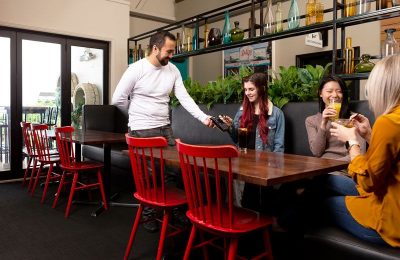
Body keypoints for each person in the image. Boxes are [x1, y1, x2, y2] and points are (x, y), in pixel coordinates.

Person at [112, 31, 213, 232]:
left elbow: (184, 98)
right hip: (141, 129)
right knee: (149, 175)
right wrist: (135, 118)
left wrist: (204, 117)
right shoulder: (136, 69)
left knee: (173, 170)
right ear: (155, 48)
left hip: (164, 128)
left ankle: (173, 210)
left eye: (173, 51)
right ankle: (150, 214)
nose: (171, 55)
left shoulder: (173, 70)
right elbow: (118, 100)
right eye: (168, 51)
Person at [327, 54, 400, 247]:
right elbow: (390, 160)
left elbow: (368, 182)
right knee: (323, 180)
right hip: (390, 196)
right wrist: (369, 135)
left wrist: (352, 142)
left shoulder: (389, 121)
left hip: (390, 221)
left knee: (322, 203)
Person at [220, 72, 285, 210]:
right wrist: (231, 127)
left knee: (256, 202)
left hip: (263, 165)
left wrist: (273, 170)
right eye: (245, 89)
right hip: (242, 162)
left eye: (251, 89)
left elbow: (279, 147)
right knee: (231, 182)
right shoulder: (242, 111)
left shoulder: (277, 114)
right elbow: (236, 140)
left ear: (261, 88)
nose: (247, 93)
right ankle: (236, 218)